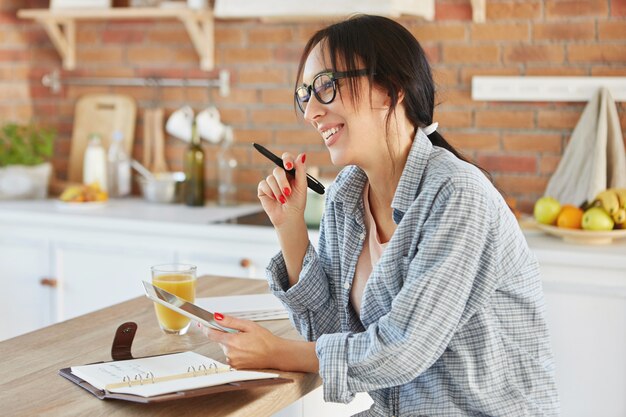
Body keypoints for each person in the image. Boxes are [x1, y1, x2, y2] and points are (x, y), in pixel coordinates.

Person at [203, 14, 560, 416]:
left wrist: (276, 351)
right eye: (305, 94)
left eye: (326, 86)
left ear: (390, 90)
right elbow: (330, 335)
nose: (311, 113)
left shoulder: (458, 195)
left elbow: (401, 349)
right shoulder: (346, 196)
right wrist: (290, 226)